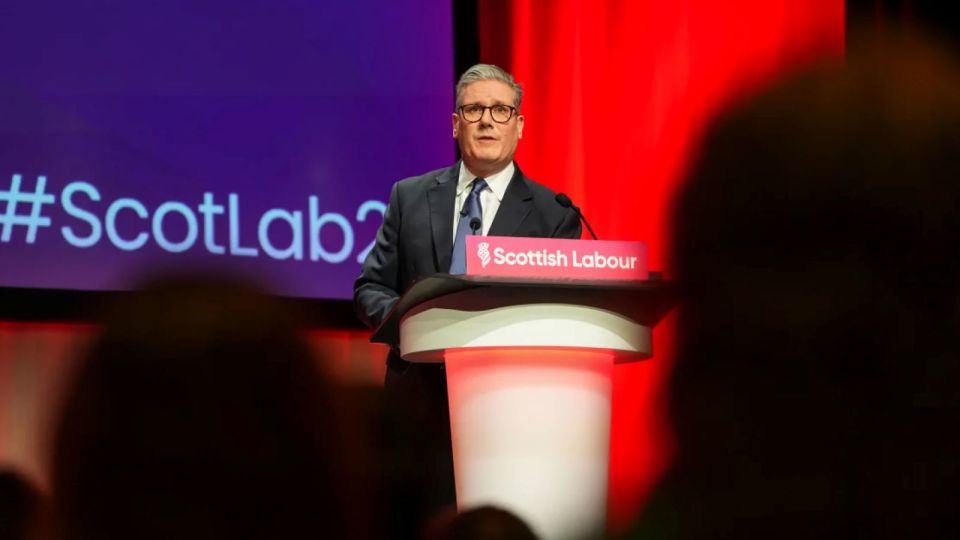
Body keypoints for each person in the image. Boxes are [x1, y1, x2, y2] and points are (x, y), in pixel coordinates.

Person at [354, 64, 582, 526]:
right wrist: (409, 323)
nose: (486, 120)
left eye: (501, 110)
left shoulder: (553, 214)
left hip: (507, 412)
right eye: (474, 108)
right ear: (456, 123)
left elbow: (557, 313)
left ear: (519, 125)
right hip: (416, 410)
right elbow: (370, 287)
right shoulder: (411, 196)